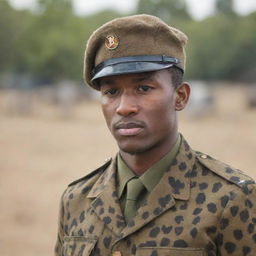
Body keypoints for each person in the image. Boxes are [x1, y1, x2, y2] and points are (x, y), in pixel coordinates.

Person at [54, 14, 256, 256]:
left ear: (180, 97)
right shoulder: (77, 199)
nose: (124, 107)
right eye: (111, 91)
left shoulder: (231, 199)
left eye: (143, 88)